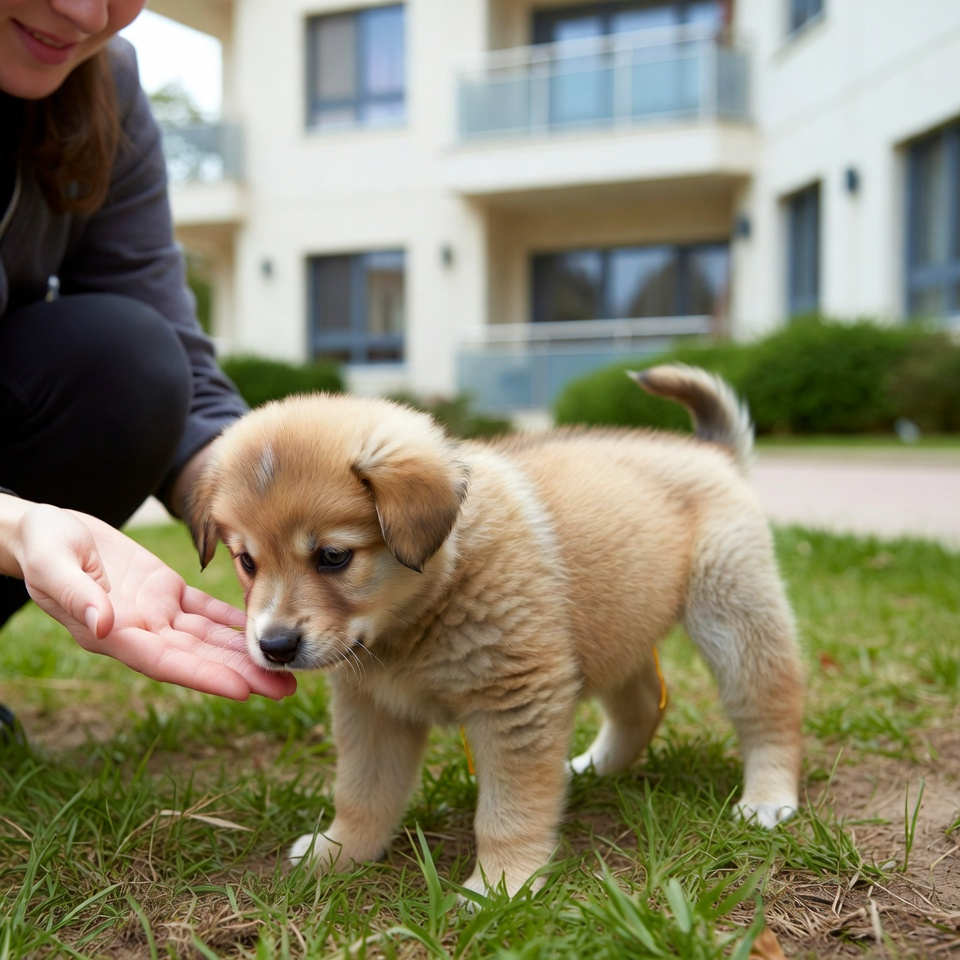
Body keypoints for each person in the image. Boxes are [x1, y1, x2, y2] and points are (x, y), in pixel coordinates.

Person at [0, 0, 296, 715]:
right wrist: (12, 526)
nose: (83, 12)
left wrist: (268, 502)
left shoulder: (102, 84)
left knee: (125, 359)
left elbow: (180, 377)